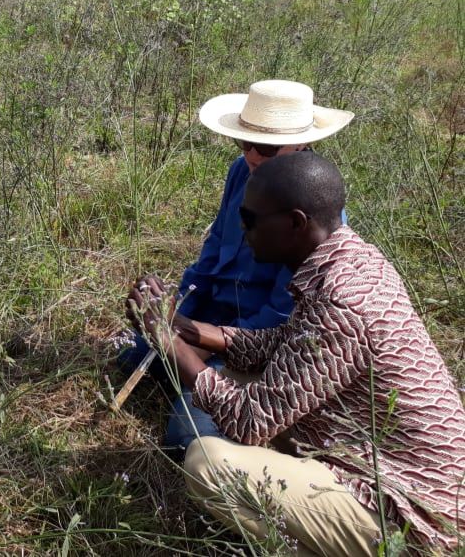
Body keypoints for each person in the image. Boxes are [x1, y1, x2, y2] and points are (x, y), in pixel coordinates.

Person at [130, 152, 465, 555]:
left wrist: (169, 344)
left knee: (208, 464)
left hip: (411, 518)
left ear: (294, 222)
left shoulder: (343, 303)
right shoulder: (350, 260)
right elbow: (285, 345)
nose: (242, 227)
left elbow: (249, 421)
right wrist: (188, 330)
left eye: (251, 219)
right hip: (385, 467)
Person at [121, 80, 354, 452]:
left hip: (256, 340)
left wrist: (201, 345)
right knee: (134, 355)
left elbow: (280, 318)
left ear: (303, 146)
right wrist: (177, 311)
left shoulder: (318, 215)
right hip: (214, 316)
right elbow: (213, 253)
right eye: (244, 142)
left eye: (266, 147)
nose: (252, 155)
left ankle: (198, 383)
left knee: (188, 437)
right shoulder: (240, 173)